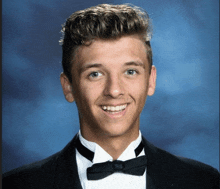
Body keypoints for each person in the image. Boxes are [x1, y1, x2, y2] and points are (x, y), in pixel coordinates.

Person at [2, 4, 219, 189]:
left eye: (130, 71)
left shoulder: (203, 181)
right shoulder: (16, 184)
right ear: (68, 87)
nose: (114, 91)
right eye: (95, 74)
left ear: (151, 81)